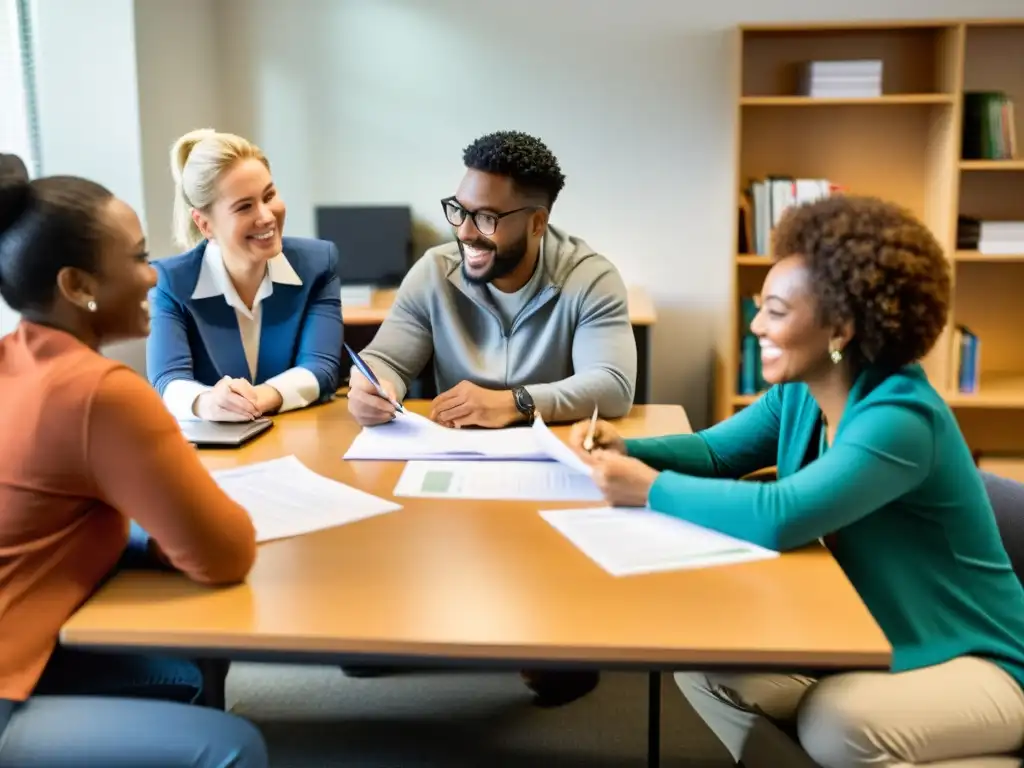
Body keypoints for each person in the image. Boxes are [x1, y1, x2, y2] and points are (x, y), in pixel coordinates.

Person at [568, 194, 1024, 767]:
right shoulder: (800, 392)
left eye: (777, 311)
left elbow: (782, 514)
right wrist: (627, 446)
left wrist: (646, 486)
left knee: (836, 721)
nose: (756, 323)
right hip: (876, 644)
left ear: (841, 328)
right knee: (711, 671)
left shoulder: (901, 419)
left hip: (980, 664)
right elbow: (714, 453)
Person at [0, 164, 268, 766]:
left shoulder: (14, 359)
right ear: (75, 284)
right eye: (139, 256)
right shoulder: (99, 391)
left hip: (25, 627)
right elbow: (225, 554)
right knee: (232, 748)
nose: (154, 274)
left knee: (181, 670)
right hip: (5, 688)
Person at [347, 129, 637, 431]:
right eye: (459, 211)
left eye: (486, 218)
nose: (464, 233)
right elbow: (386, 360)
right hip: (458, 452)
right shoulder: (433, 272)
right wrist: (373, 387)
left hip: (556, 453)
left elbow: (613, 386)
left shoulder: (590, 278)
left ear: (537, 223)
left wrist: (515, 403)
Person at [147, 128, 343, 423]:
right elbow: (168, 379)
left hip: (296, 438)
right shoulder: (170, 282)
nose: (266, 216)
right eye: (244, 206)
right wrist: (206, 402)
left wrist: (257, 399)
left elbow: (321, 366)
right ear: (204, 224)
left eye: (269, 195)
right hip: (218, 449)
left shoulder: (317, 264)